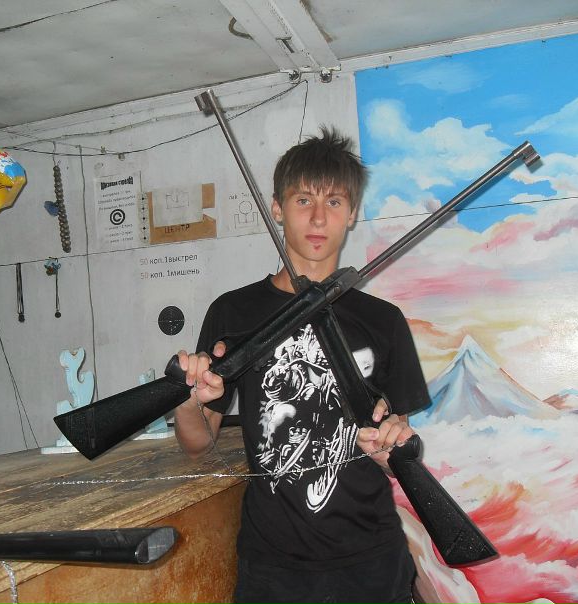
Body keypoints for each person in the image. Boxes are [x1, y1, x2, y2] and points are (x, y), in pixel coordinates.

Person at [173, 127, 431, 604]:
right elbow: (197, 443)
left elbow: (394, 449)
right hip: (273, 568)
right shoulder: (232, 313)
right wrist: (189, 400)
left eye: (334, 202)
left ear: (352, 213)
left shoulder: (384, 320)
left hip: (372, 561)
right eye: (303, 200)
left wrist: (390, 450)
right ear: (277, 208)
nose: (317, 217)